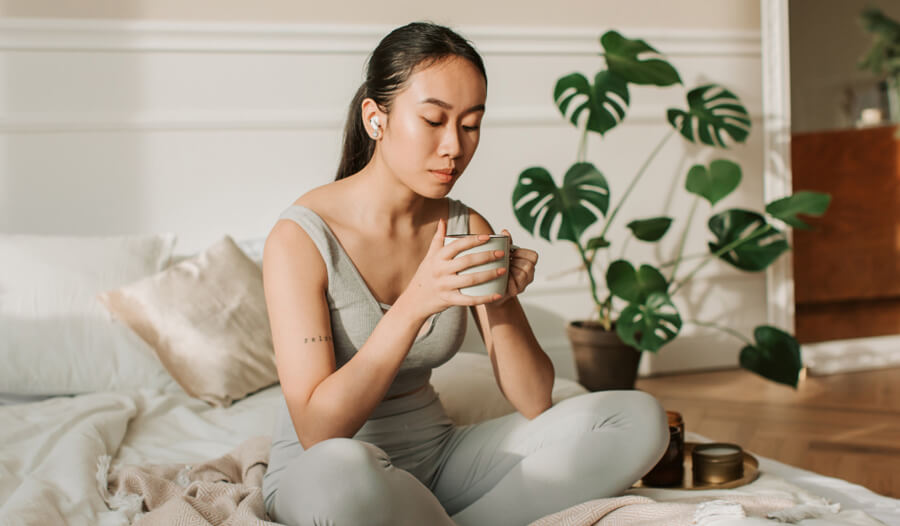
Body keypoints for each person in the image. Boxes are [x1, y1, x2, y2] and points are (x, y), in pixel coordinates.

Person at [260, 21, 668, 526]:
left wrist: (501, 301)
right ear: (375, 118)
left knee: (638, 419)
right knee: (346, 471)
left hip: (438, 461)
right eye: (433, 120)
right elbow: (318, 431)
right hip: (328, 472)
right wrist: (415, 305)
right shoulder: (300, 239)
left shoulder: (463, 225)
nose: (454, 146)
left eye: (471, 124)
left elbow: (535, 400)